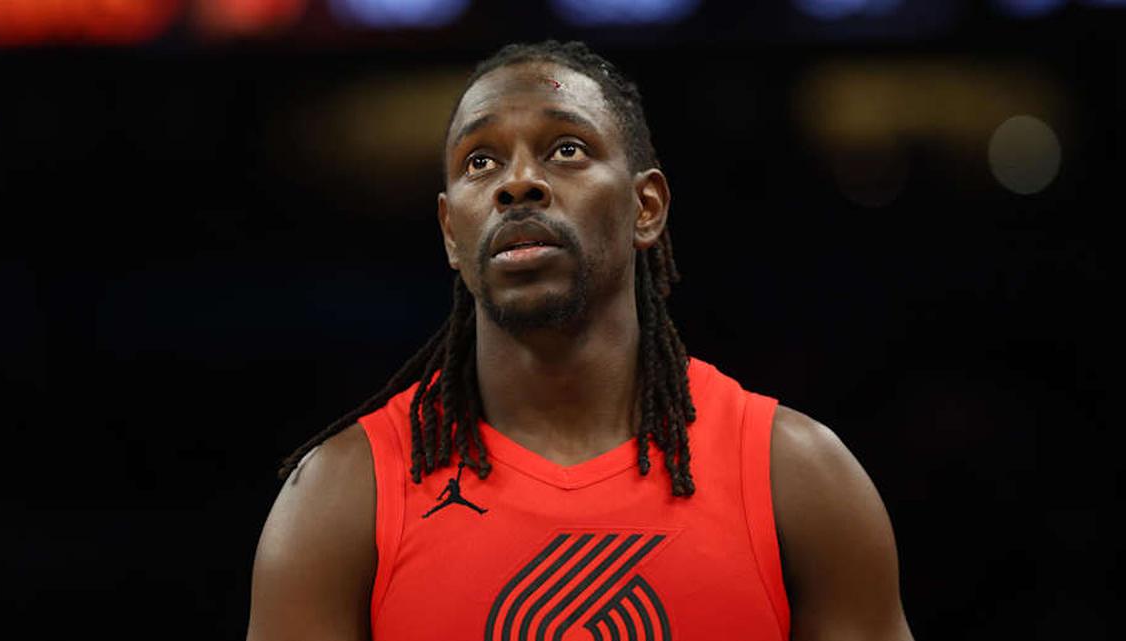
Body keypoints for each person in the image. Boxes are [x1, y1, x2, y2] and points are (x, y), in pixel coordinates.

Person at [246, 41, 914, 641]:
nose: (517, 182)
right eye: (480, 161)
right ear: (451, 232)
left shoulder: (795, 474)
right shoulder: (343, 495)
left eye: (566, 149)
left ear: (646, 208)